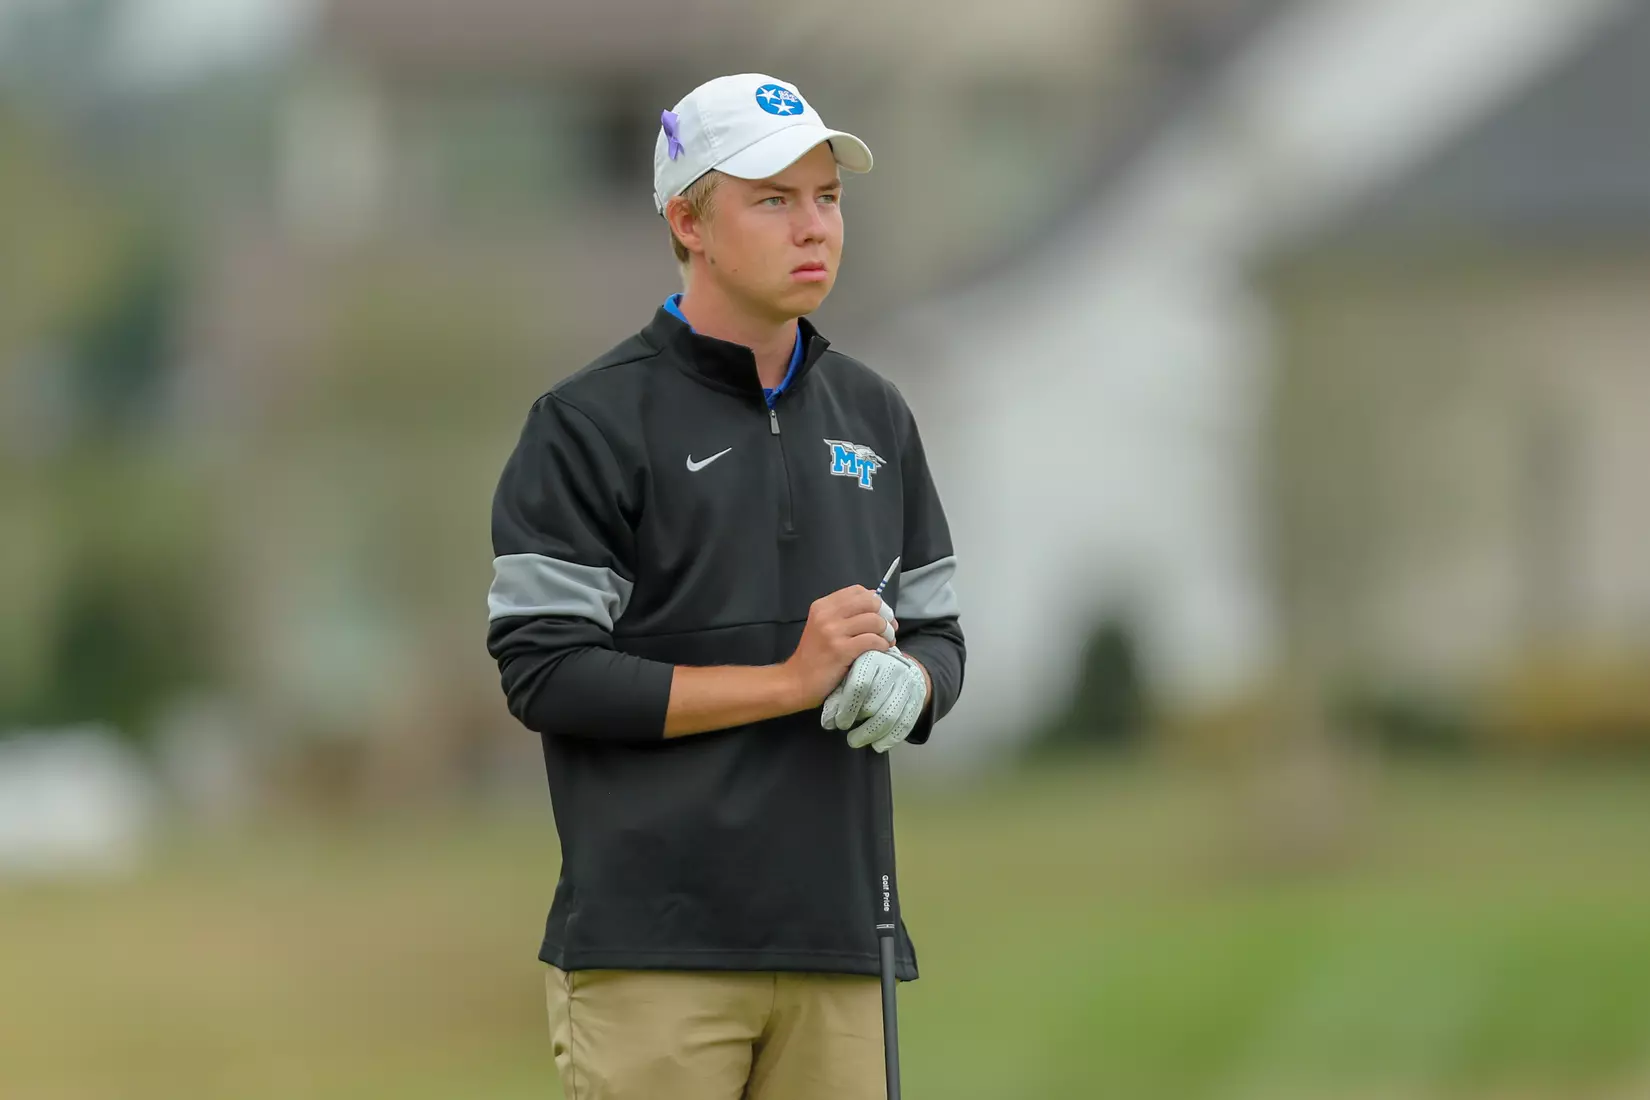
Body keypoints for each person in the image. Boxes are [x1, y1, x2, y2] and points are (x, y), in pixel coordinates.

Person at [486, 72, 965, 1100]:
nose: (815, 227)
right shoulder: (586, 425)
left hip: (842, 939)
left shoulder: (876, 417)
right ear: (686, 219)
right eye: (773, 198)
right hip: (656, 951)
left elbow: (937, 629)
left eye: (827, 197)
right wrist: (788, 680)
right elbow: (547, 671)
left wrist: (914, 684)